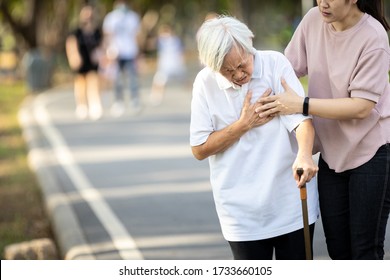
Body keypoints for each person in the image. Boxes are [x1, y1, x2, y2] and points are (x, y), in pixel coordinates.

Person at [257, 0, 390, 260]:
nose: (322, 3)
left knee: (364, 251)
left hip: (372, 153)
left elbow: (362, 106)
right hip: (331, 155)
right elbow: (285, 71)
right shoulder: (313, 20)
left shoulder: (373, 36)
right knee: (337, 249)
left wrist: (302, 104)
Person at [190, 15, 319, 260]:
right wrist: (243, 124)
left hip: (290, 203)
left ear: (250, 44)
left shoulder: (275, 64)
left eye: (242, 65)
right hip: (240, 214)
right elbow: (199, 149)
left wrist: (304, 155)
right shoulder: (204, 83)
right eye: (227, 71)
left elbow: (302, 120)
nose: (238, 75)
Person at [102, 0, 141, 116]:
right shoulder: (111, 18)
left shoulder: (133, 17)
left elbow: (137, 35)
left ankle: (135, 101)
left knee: (132, 78)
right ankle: (118, 102)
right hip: (116, 54)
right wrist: (108, 51)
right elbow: (107, 35)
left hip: (130, 52)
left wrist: (138, 52)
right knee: (117, 79)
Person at [65, 5, 103, 120]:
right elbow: (71, 43)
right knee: (81, 83)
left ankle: (94, 105)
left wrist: (102, 55)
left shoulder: (96, 31)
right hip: (81, 60)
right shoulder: (77, 31)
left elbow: (102, 44)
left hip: (93, 61)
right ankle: (81, 105)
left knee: (94, 82)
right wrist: (73, 56)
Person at [149, 24, 186, 106]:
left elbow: (151, 44)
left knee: (159, 81)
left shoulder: (162, 40)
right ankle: (157, 96)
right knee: (183, 81)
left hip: (167, 66)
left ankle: (157, 97)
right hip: (176, 65)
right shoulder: (176, 40)